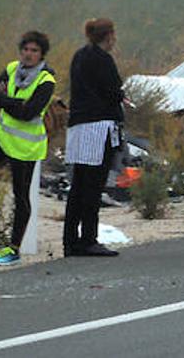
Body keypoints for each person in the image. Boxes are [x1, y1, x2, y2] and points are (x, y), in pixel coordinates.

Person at [0, 31, 56, 266]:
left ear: (41, 55)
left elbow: (28, 113)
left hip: (26, 147)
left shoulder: (46, 80)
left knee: (21, 195)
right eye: (26, 49)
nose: (29, 54)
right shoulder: (10, 69)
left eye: (34, 51)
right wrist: (14, 103)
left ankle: (13, 248)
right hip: (2, 138)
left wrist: (7, 100)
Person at [64, 18, 125, 258]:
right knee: (94, 185)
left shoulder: (79, 56)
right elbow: (113, 91)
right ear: (108, 36)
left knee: (77, 185)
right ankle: (89, 238)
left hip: (79, 127)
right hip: (99, 128)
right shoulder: (102, 60)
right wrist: (120, 95)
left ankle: (70, 240)